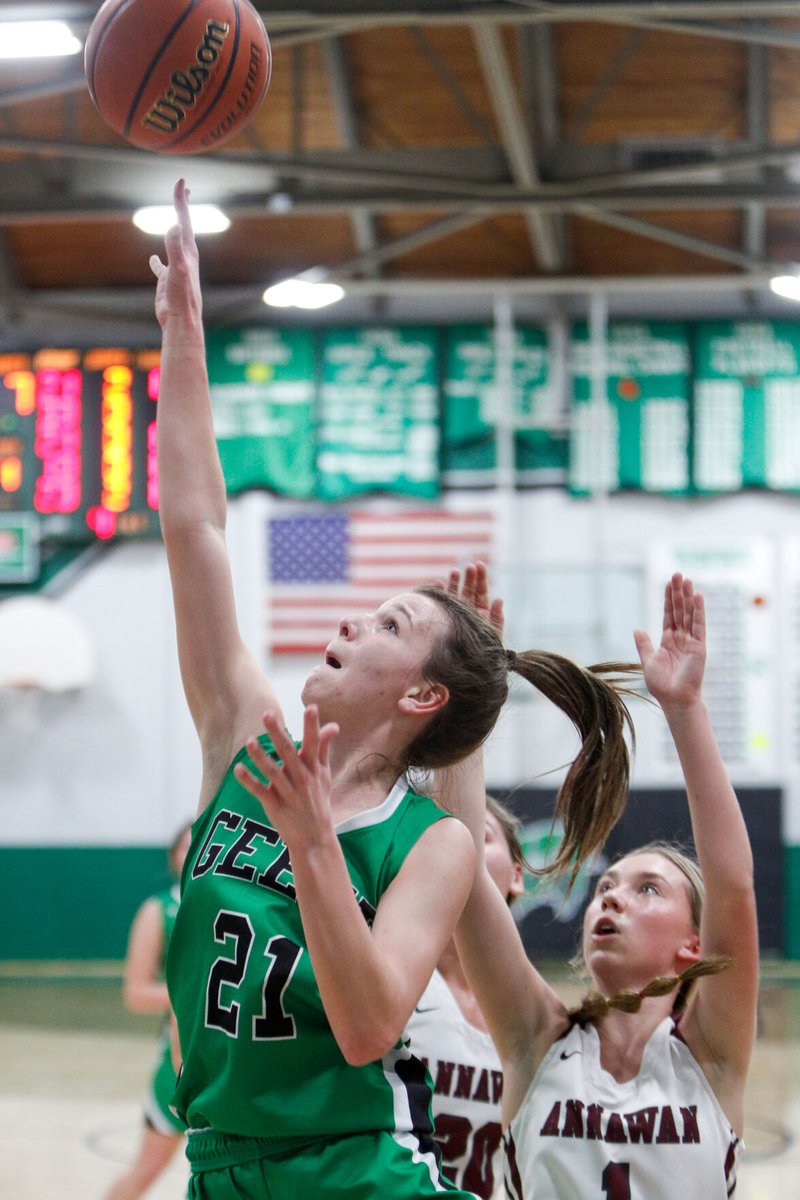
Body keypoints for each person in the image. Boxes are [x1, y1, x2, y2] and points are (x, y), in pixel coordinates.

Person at [148, 178, 637, 1200]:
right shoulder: (245, 735)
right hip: (219, 1168)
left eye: (388, 626)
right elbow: (194, 529)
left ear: (420, 698)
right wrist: (184, 338)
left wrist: (313, 844)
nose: (348, 625)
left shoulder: (432, 843)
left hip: (352, 1174)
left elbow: (369, 1025)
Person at [447, 571, 759, 1200]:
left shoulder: (708, 1055)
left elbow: (731, 887)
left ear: (693, 947)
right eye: (607, 886)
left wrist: (685, 709)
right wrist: (469, 701)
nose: (610, 896)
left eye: (648, 890)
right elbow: (464, 881)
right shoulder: (537, 1040)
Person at [406, 796, 525, 1200]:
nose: (459, 847)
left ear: (517, 875)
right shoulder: (390, 975)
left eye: (481, 835)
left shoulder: (537, 1015)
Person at [103, 822, 193, 1200]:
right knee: (146, 1172)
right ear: (173, 857)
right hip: (180, 1057)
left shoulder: (244, 901)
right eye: (185, 846)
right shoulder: (160, 910)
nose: (194, 852)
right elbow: (136, 993)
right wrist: (194, 993)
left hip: (235, 1052)